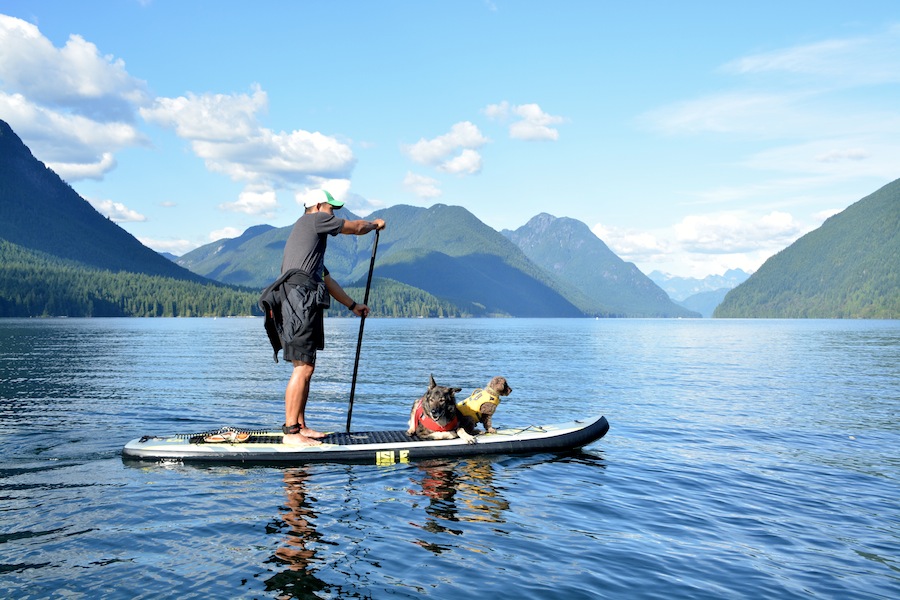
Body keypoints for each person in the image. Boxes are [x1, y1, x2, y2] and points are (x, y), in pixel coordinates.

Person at [261, 189, 385, 446]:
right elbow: (356, 227)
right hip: (298, 298)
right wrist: (374, 225)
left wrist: (353, 305)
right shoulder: (312, 220)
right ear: (317, 205)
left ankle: (301, 426)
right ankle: (291, 433)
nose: (334, 213)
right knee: (302, 367)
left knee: (307, 365)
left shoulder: (311, 247)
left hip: (304, 297)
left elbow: (328, 281)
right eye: (332, 208)